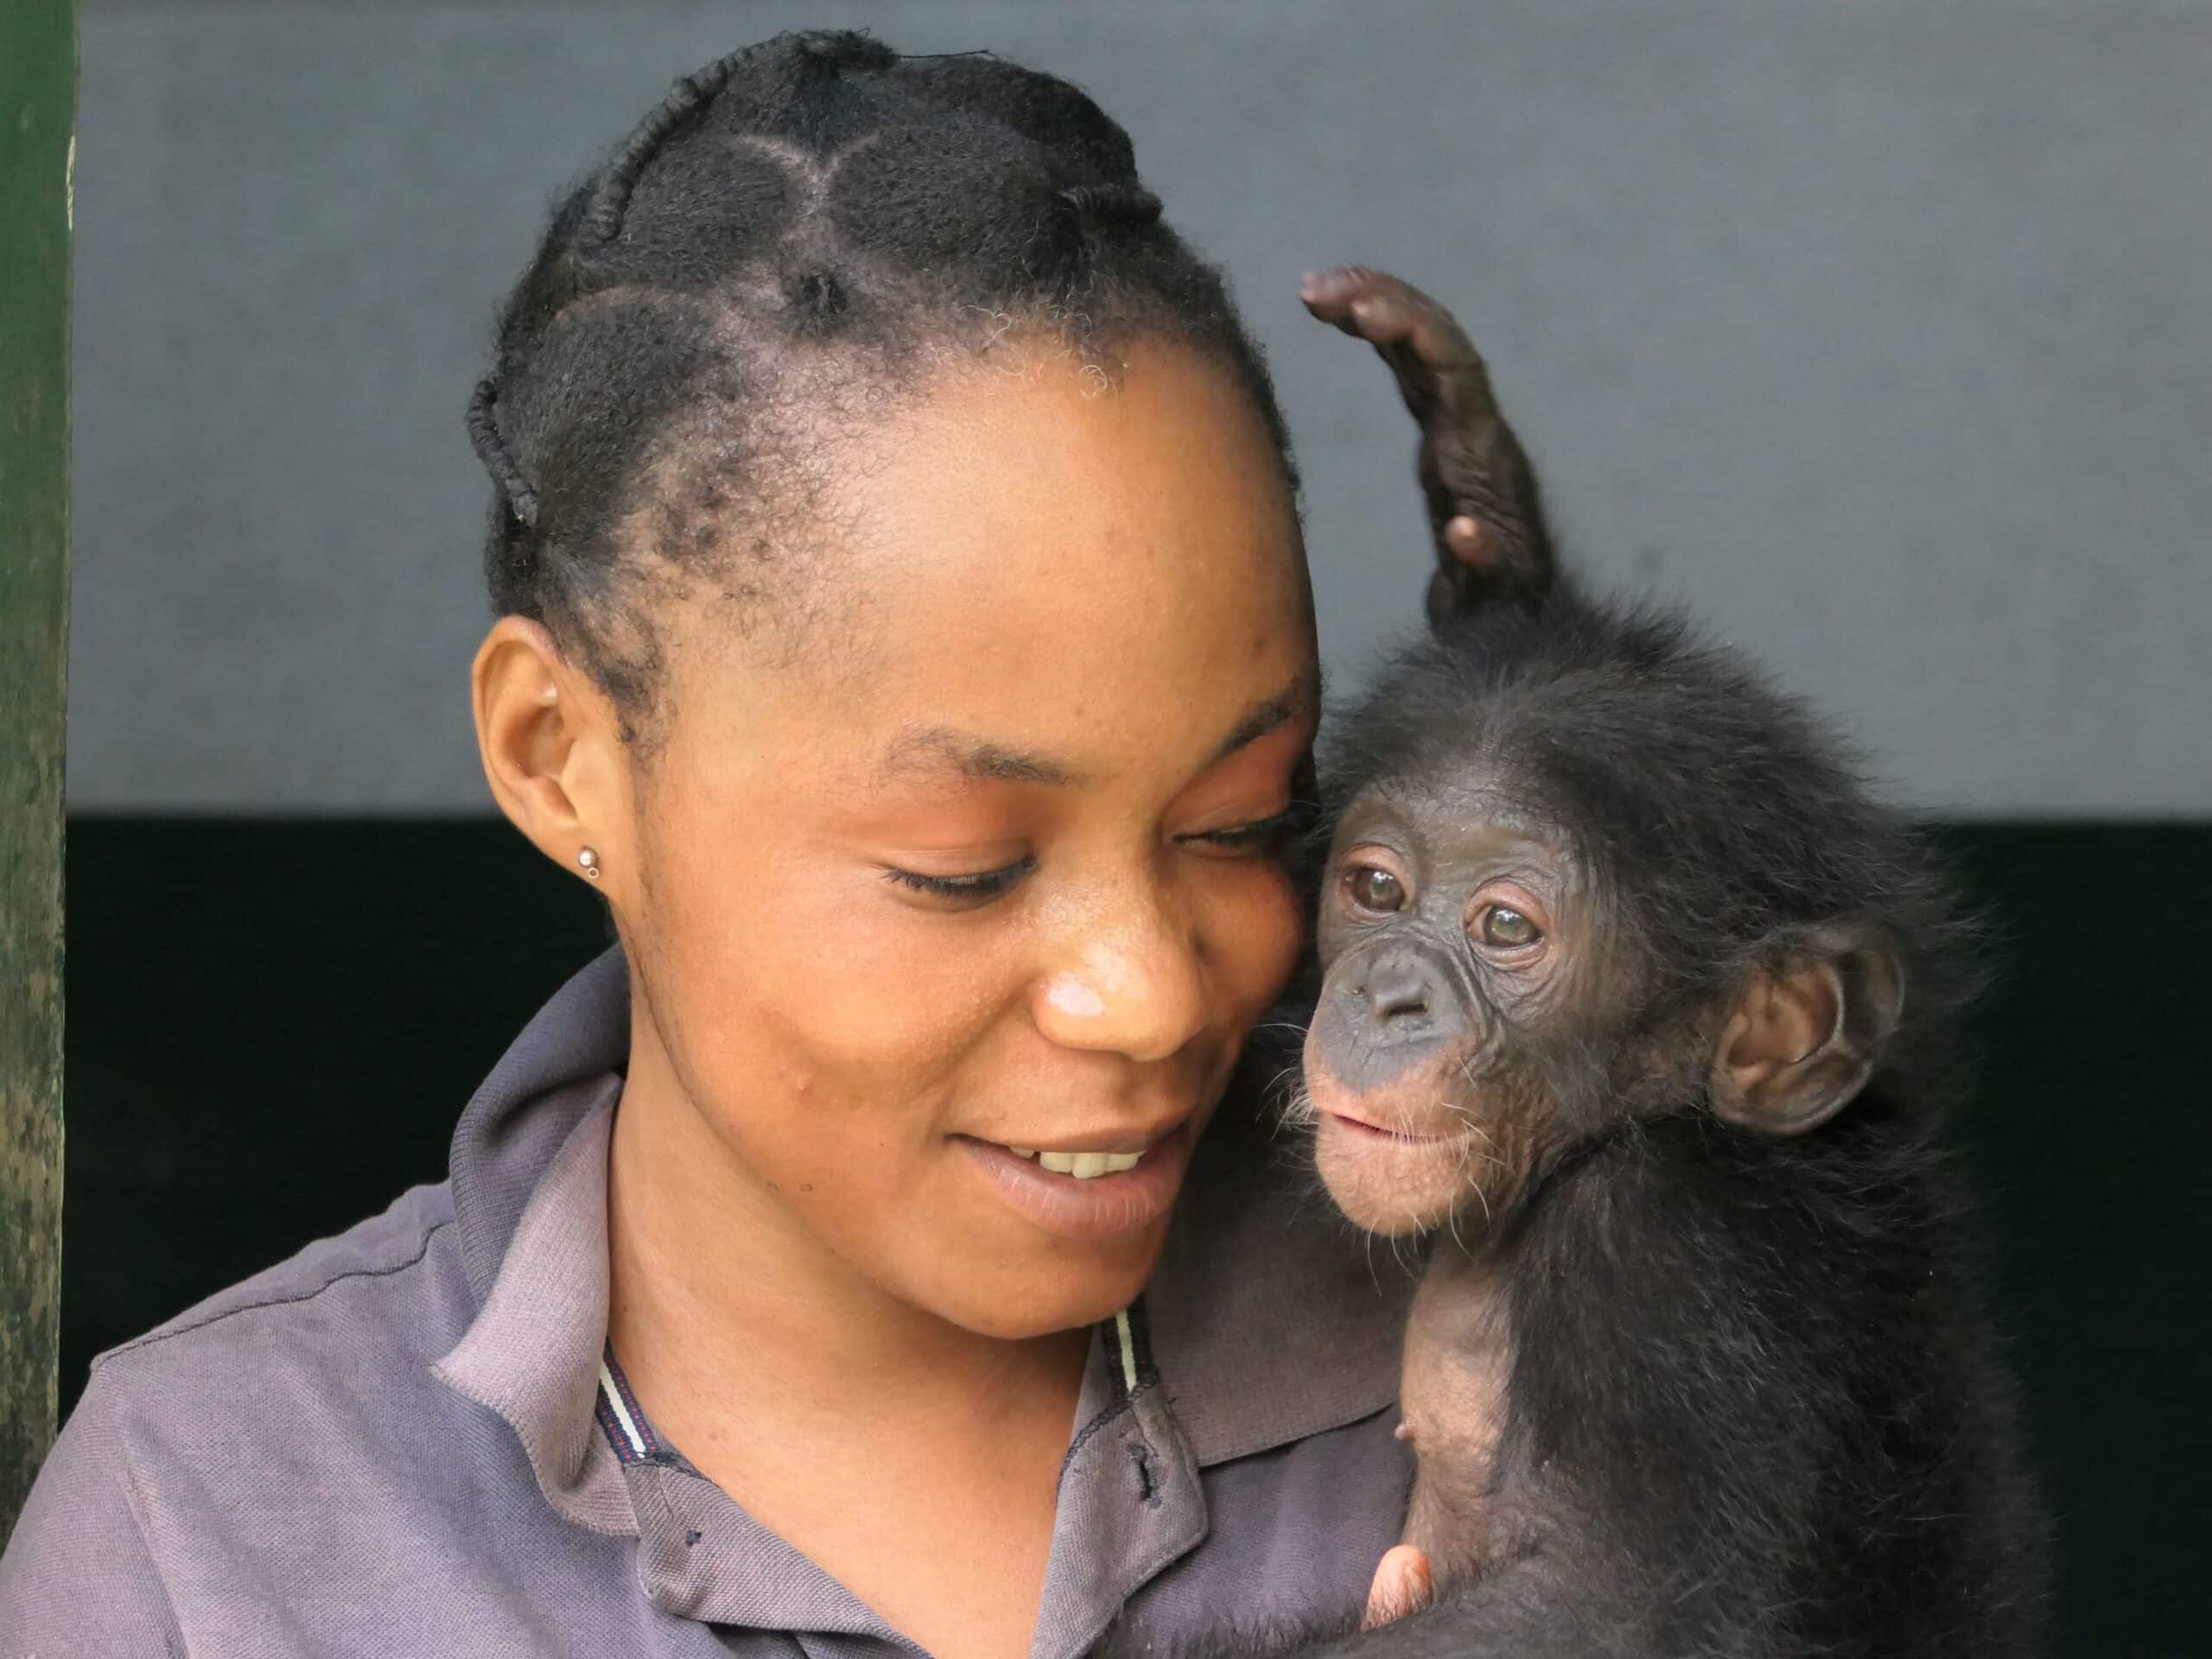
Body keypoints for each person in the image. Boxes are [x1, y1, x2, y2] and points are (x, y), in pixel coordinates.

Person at [0, 31, 1432, 1657]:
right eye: (965, 864)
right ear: (561, 762)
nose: (1152, 997)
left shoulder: (1516, 1375)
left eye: (1245, 821)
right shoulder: (212, 1529)